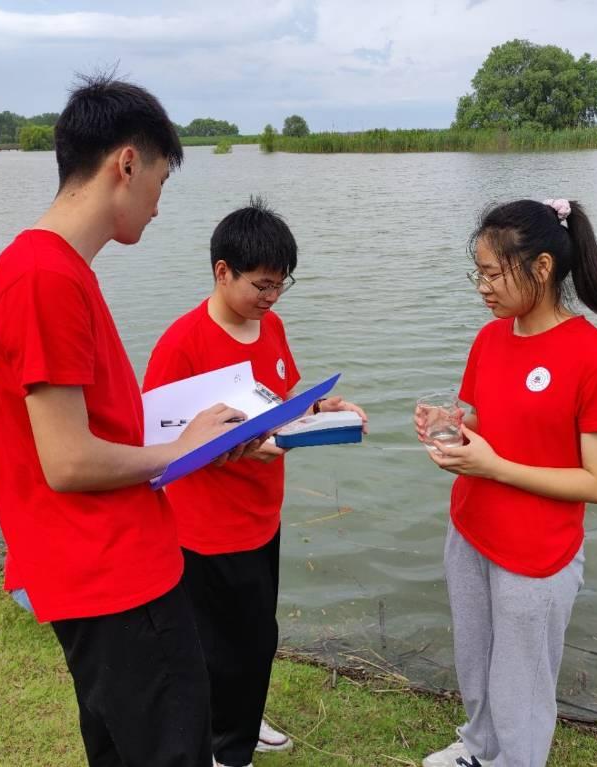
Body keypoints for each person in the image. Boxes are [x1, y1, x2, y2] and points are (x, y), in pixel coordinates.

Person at [0, 74, 253, 767]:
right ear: (126, 163)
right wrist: (177, 449)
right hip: (113, 577)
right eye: (162, 181)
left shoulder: (51, 267)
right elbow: (67, 460)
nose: (160, 207)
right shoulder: (45, 277)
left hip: (98, 569)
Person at [417, 199, 597, 767]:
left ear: (543, 267)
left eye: (491, 273)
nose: (481, 286)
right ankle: (478, 748)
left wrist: (494, 467)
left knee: (521, 681)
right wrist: (450, 428)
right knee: (475, 659)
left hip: (537, 553)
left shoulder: (596, 359)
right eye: (476, 272)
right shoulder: (491, 339)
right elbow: (486, 423)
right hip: (471, 529)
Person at [143, 198, 367, 767]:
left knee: (255, 636)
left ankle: (240, 717)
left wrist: (317, 411)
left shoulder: (271, 327)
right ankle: (223, 748)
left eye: (279, 286)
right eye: (261, 286)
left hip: (262, 514)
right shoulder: (182, 344)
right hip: (205, 527)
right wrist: (243, 449)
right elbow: (160, 449)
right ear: (223, 272)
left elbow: (276, 404)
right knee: (219, 645)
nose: (270, 299)